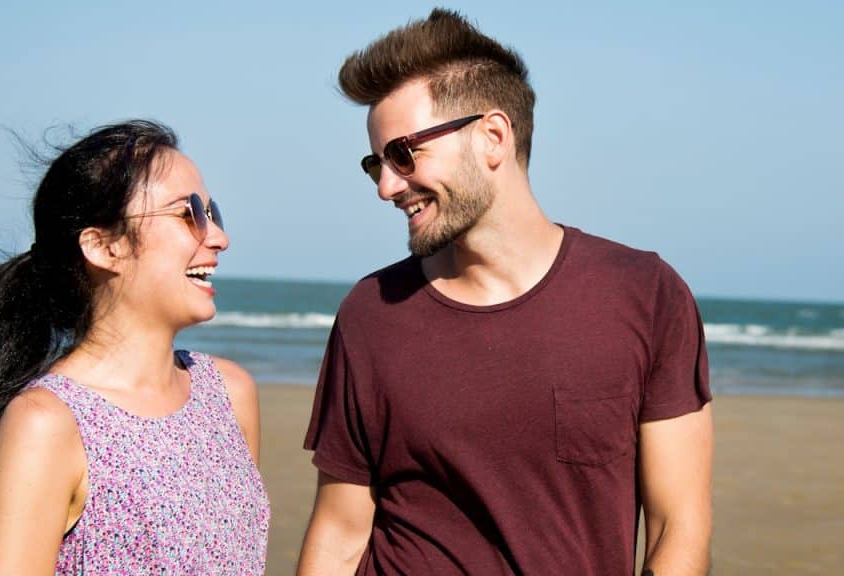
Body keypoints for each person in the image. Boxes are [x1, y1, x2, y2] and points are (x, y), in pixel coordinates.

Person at [299, 9, 712, 575]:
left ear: (492, 137)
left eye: (403, 154)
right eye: (376, 163)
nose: (387, 187)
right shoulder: (371, 314)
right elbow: (340, 536)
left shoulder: (645, 295)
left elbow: (677, 528)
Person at [0, 120, 269, 575]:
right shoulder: (48, 423)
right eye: (187, 213)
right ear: (102, 246)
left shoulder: (229, 393)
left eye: (213, 213)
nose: (217, 236)